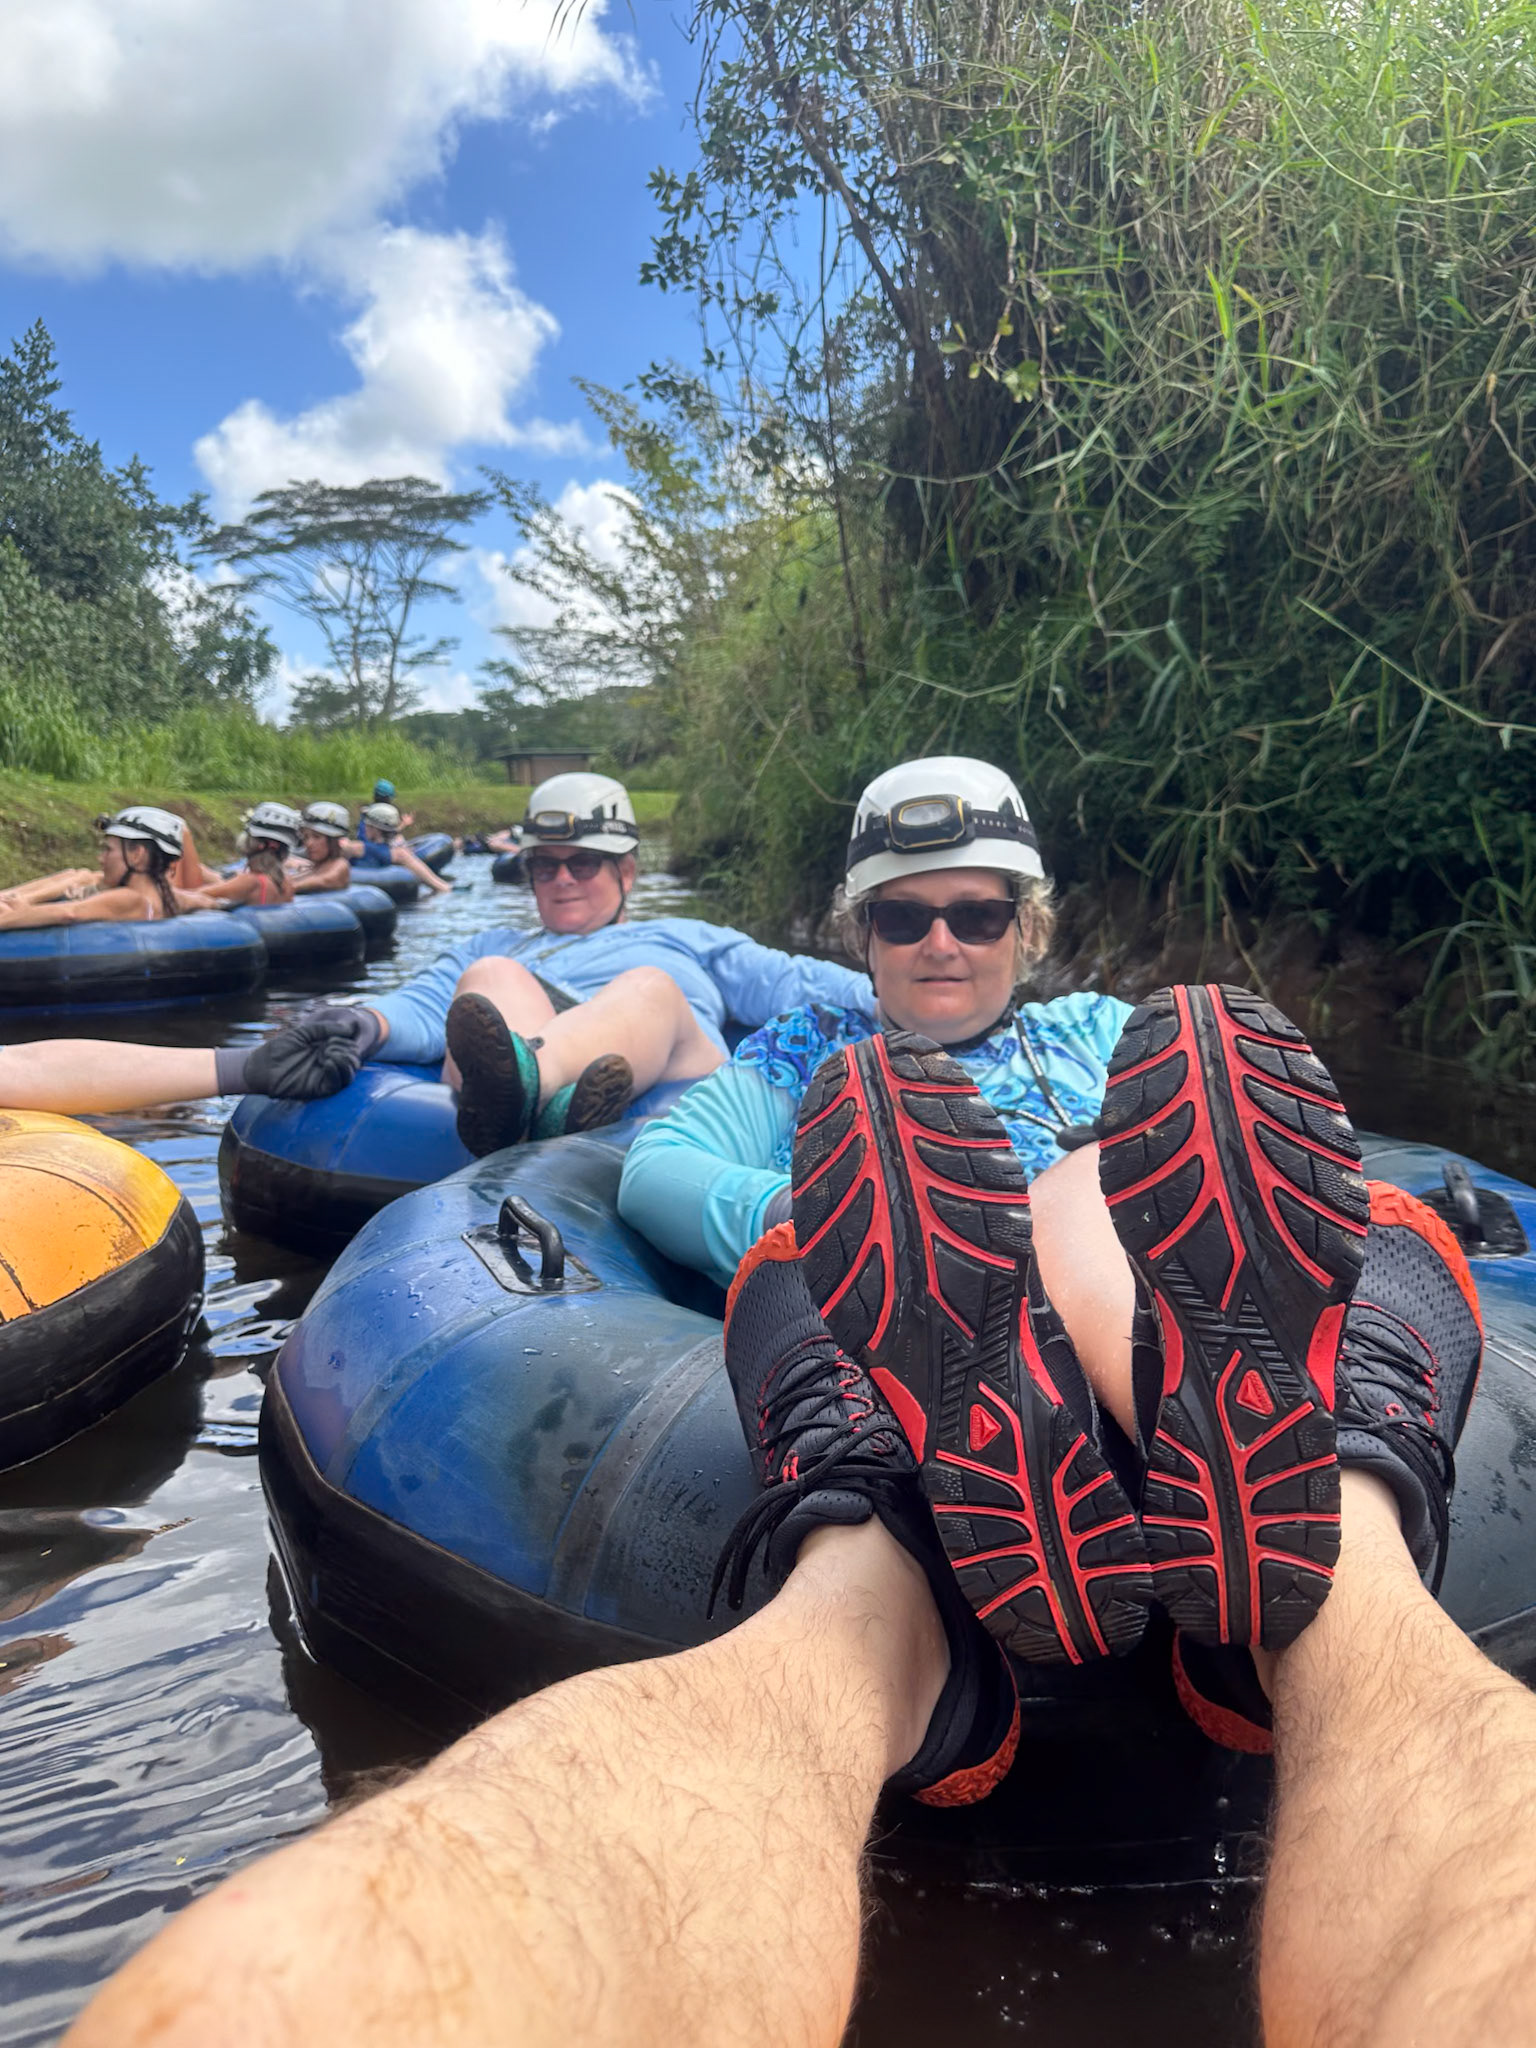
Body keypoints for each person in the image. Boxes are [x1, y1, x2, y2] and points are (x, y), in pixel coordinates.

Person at [58, 1042, 1518, 2048]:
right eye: (904, 914)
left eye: (976, 908)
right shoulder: (784, 1046)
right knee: (1018, 1215)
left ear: (1029, 917)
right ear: (858, 927)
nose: (940, 940)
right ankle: (1308, 1540)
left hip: (969, 1257)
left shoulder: (1086, 1037)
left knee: (1067, 1201)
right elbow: (659, 1180)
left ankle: (895, 1573)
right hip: (915, 1226)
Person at [249, 771, 877, 1156]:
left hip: (662, 1077)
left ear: (625, 871)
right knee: (490, 979)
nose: (563, 879)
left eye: (582, 863)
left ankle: (531, 1084)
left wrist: (915, 997)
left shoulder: (684, 936)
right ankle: (541, 1100)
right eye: (545, 865)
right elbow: (425, 1002)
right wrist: (364, 1024)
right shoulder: (495, 945)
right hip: (526, 1062)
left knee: (649, 989)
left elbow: (797, 981)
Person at [0, 806, 205, 930]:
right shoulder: (164, 895)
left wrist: (13, 915)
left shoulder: (129, 897)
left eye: (108, 850)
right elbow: (206, 901)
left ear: (137, 854)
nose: (101, 858)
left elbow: (68, 913)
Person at [192, 802, 301, 910]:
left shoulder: (251, 881)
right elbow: (227, 886)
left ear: (259, 845)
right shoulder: (286, 880)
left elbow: (192, 896)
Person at [343, 802, 452, 897]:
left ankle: (443, 887)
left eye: (367, 825)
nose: (364, 827)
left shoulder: (360, 848)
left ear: (374, 829)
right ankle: (444, 887)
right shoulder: (397, 852)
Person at [286, 802, 354, 895]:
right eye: (306, 837)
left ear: (332, 841)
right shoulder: (317, 866)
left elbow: (325, 880)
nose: (309, 843)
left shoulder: (340, 866)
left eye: (316, 837)